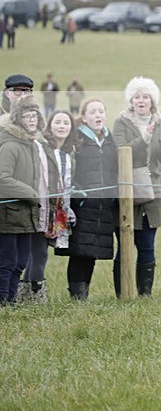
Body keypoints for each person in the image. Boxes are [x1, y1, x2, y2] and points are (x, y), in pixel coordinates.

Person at [112, 77, 161, 296]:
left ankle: (144, 294)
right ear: (131, 100)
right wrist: (145, 136)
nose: (141, 101)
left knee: (147, 245)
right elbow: (122, 152)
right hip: (129, 190)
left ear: (152, 100)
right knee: (125, 245)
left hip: (153, 192)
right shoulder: (121, 123)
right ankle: (123, 292)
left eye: (145, 96)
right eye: (137, 96)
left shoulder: (160, 122)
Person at [55, 98, 118, 300]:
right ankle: (77, 297)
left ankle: (84, 293)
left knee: (91, 252)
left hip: (104, 205)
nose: (98, 115)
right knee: (79, 251)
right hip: (82, 204)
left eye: (101, 111)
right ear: (84, 117)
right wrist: (78, 193)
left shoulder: (110, 140)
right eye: (93, 112)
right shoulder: (77, 140)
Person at [0, 96, 57, 305]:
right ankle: (2, 302)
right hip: (8, 216)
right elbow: (2, 179)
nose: (31, 120)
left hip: (27, 215)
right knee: (7, 262)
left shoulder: (32, 144)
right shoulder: (10, 145)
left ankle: (11, 301)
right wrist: (31, 193)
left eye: (34, 115)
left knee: (21, 262)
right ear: (17, 118)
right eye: (26, 116)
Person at [18, 110, 77, 303]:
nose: (62, 126)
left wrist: (67, 209)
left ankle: (27, 295)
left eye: (66, 123)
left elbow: (65, 185)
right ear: (49, 126)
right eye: (57, 122)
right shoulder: (41, 148)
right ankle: (33, 296)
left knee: (40, 251)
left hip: (56, 209)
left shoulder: (68, 155)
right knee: (38, 252)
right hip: (40, 206)